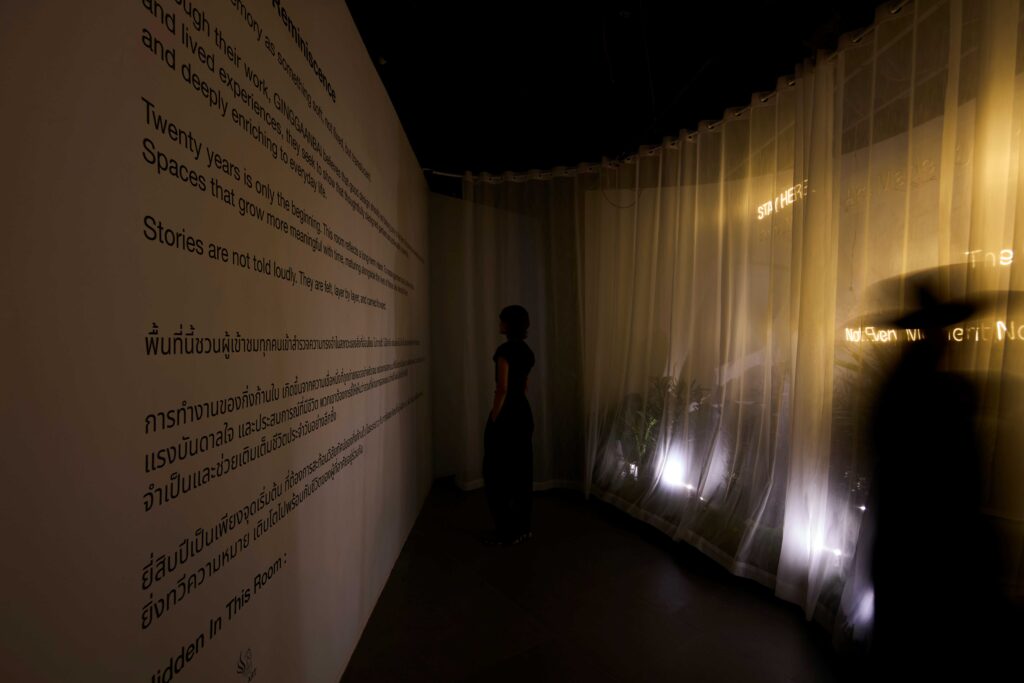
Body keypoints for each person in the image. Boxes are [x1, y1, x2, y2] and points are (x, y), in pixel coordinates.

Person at [483, 305, 535, 546]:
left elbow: (502, 387)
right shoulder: (527, 351)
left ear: (508, 324)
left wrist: (495, 416)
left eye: (502, 320)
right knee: (521, 469)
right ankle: (523, 527)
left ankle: (507, 530)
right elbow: (524, 386)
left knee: (497, 470)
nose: (499, 323)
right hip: (523, 412)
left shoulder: (504, 351)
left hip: (506, 415)